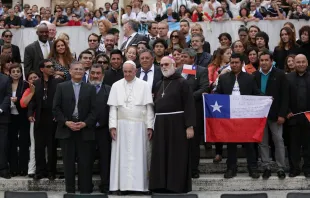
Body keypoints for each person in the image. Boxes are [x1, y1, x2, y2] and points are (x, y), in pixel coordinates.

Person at [149, 56, 195, 193]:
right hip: (161, 124)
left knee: (176, 155)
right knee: (161, 154)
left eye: (166, 64)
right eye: (161, 64)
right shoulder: (158, 84)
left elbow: (189, 105)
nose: (163, 67)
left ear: (174, 65)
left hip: (178, 124)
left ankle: (176, 186)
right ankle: (160, 185)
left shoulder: (182, 82)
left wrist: (190, 126)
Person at [108, 60, 154, 194]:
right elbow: (113, 108)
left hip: (140, 127)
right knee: (121, 157)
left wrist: (150, 126)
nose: (127, 74)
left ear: (135, 71)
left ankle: (141, 187)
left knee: (140, 156)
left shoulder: (144, 85)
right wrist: (112, 127)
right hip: (121, 126)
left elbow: (149, 107)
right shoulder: (116, 86)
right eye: (125, 72)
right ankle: (122, 186)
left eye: (130, 71)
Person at [215, 53, 261, 179]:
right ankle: (231, 168)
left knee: (250, 144)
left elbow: (256, 93)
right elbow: (218, 93)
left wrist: (266, 98)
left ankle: (252, 168)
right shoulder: (223, 78)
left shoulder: (250, 78)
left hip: (246, 116)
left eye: (236, 62)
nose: (234, 65)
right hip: (230, 116)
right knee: (231, 144)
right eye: (232, 62)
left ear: (241, 64)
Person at [53, 61, 96, 193]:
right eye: (76, 69)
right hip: (66, 129)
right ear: (70, 71)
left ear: (84, 72)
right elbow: (56, 108)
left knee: (85, 162)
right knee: (68, 163)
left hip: (84, 130)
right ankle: (70, 191)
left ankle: (85, 190)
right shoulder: (61, 87)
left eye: (81, 69)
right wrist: (66, 122)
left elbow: (94, 110)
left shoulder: (90, 88)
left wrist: (85, 123)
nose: (78, 71)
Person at [253, 50, 288, 179]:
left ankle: (280, 167)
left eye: (266, 60)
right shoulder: (255, 75)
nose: (264, 62)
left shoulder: (280, 74)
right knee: (262, 142)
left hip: (276, 115)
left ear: (271, 61)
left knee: (278, 140)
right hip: (260, 116)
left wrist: (282, 114)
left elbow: (285, 96)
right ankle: (266, 166)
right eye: (261, 60)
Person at [28, 59, 63, 180]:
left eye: (53, 66)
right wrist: (29, 113)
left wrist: (57, 115)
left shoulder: (58, 82)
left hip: (52, 117)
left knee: (52, 146)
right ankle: (39, 171)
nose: (52, 68)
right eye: (48, 66)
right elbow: (32, 101)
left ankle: (51, 171)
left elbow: (60, 101)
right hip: (39, 117)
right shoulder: (36, 83)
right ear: (42, 69)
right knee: (39, 146)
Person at [178, 48, 209, 178]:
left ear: (192, 58)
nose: (182, 59)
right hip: (179, 111)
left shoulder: (201, 70)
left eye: (185, 57)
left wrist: (188, 97)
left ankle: (193, 169)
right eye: (181, 56)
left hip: (195, 111)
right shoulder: (177, 71)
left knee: (194, 143)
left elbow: (204, 88)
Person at [286, 54, 310, 178]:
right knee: (293, 145)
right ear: (294, 64)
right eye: (298, 62)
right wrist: (287, 111)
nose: (300, 64)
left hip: (309, 117)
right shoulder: (288, 78)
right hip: (293, 117)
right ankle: (295, 168)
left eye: (303, 62)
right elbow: (284, 97)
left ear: (307, 63)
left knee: (308, 145)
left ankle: (308, 168)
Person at [89, 64, 111, 193]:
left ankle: (106, 186)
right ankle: (86, 185)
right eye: (93, 73)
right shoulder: (84, 88)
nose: (95, 76)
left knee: (105, 159)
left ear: (102, 75)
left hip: (104, 130)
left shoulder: (109, 89)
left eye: (98, 73)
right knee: (87, 159)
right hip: (88, 129)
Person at [20, 71, 40, 177]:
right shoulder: (28, 90)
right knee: (34, 145)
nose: (33, 79)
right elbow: (23, 104)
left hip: (46, 120)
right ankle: (31, 169)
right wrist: (32, 92)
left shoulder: (45, 88)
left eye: (35, 77)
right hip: (34, 120)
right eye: (31, 78)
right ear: (28, 81)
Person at [0, 55, 11, 179]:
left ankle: (3, 168)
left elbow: (8, 96)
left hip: (2, 118)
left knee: (2, 144)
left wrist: (1, 109)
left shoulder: (5, 79)